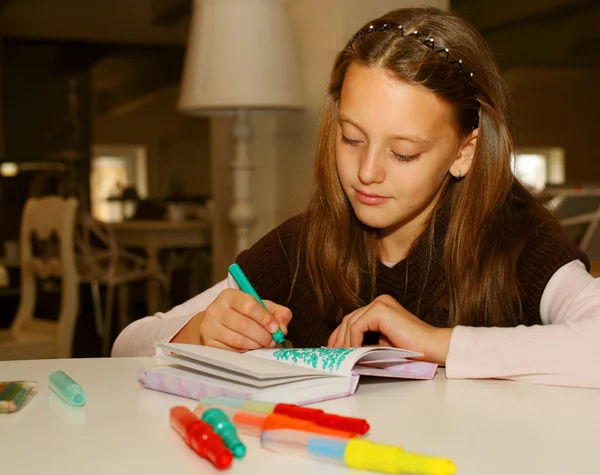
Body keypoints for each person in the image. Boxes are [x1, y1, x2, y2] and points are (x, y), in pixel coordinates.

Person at [113, 7, 600, 388]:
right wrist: (198, 333)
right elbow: (123, 346)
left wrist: (438, 344)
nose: (367, 173)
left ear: (464, 152)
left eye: (404, 152)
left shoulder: (517, 242)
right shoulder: (301, 246)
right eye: (351, 138)